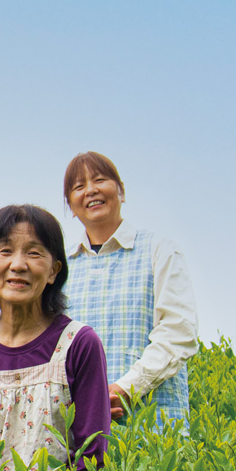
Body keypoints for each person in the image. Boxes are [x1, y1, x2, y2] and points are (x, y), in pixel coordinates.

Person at [0, 205, 110, 471]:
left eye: (34, 253)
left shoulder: (78, 343)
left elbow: (91, 456)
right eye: (5, 251)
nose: (18, 265)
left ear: (54, 270)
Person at [61, 152, 198, 430]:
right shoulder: (59, 267)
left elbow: (178, 331)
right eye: (79, 186)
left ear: (121, 191)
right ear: (71, 207)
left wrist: (126, 388)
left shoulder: (158, 249)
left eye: (100, 180)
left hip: (154, 423)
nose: (91, 190)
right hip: (80, 426)